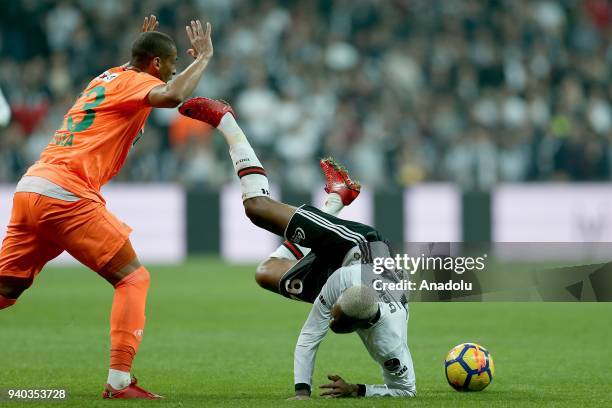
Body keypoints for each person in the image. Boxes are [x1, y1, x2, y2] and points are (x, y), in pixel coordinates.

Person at [0, 15, 213, 399]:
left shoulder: (107, 76)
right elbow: (173, 96)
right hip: (66, 193)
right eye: (172, 63)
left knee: (6, 288)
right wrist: (204, 59)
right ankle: (119, 383)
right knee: (133, 278)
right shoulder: (141, 81)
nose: (175, 69)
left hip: (32, 186)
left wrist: (144, 47)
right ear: (155, 65)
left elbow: (133, 75)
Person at [180, 97, 416, 399]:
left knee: (266, 273)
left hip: (367, 275)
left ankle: (336, 199)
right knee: (257, 208)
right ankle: (226, 120)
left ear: (360, 323)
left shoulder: (390, 342)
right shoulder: (341, 286)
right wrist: (301, 390)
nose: (329, 317)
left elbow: (406, 391)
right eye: (335, 313)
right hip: (362, 246)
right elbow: (310, 336)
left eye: (335, 316)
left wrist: (357, 390)